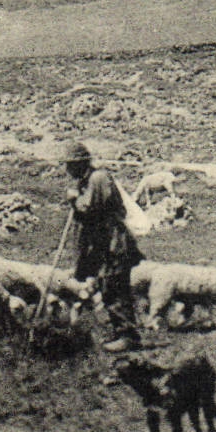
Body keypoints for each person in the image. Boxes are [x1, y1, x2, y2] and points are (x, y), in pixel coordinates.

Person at [63, 140, 143, 352]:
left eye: (70, 164)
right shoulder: (87, 180)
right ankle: (120, 330)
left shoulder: (98, 178)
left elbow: (90, 208)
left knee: (115, 285)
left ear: (80, 163)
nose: (67, 169)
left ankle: (128, 335)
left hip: (114, 242)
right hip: (103, 243)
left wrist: (75, 200)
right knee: (108, 285)